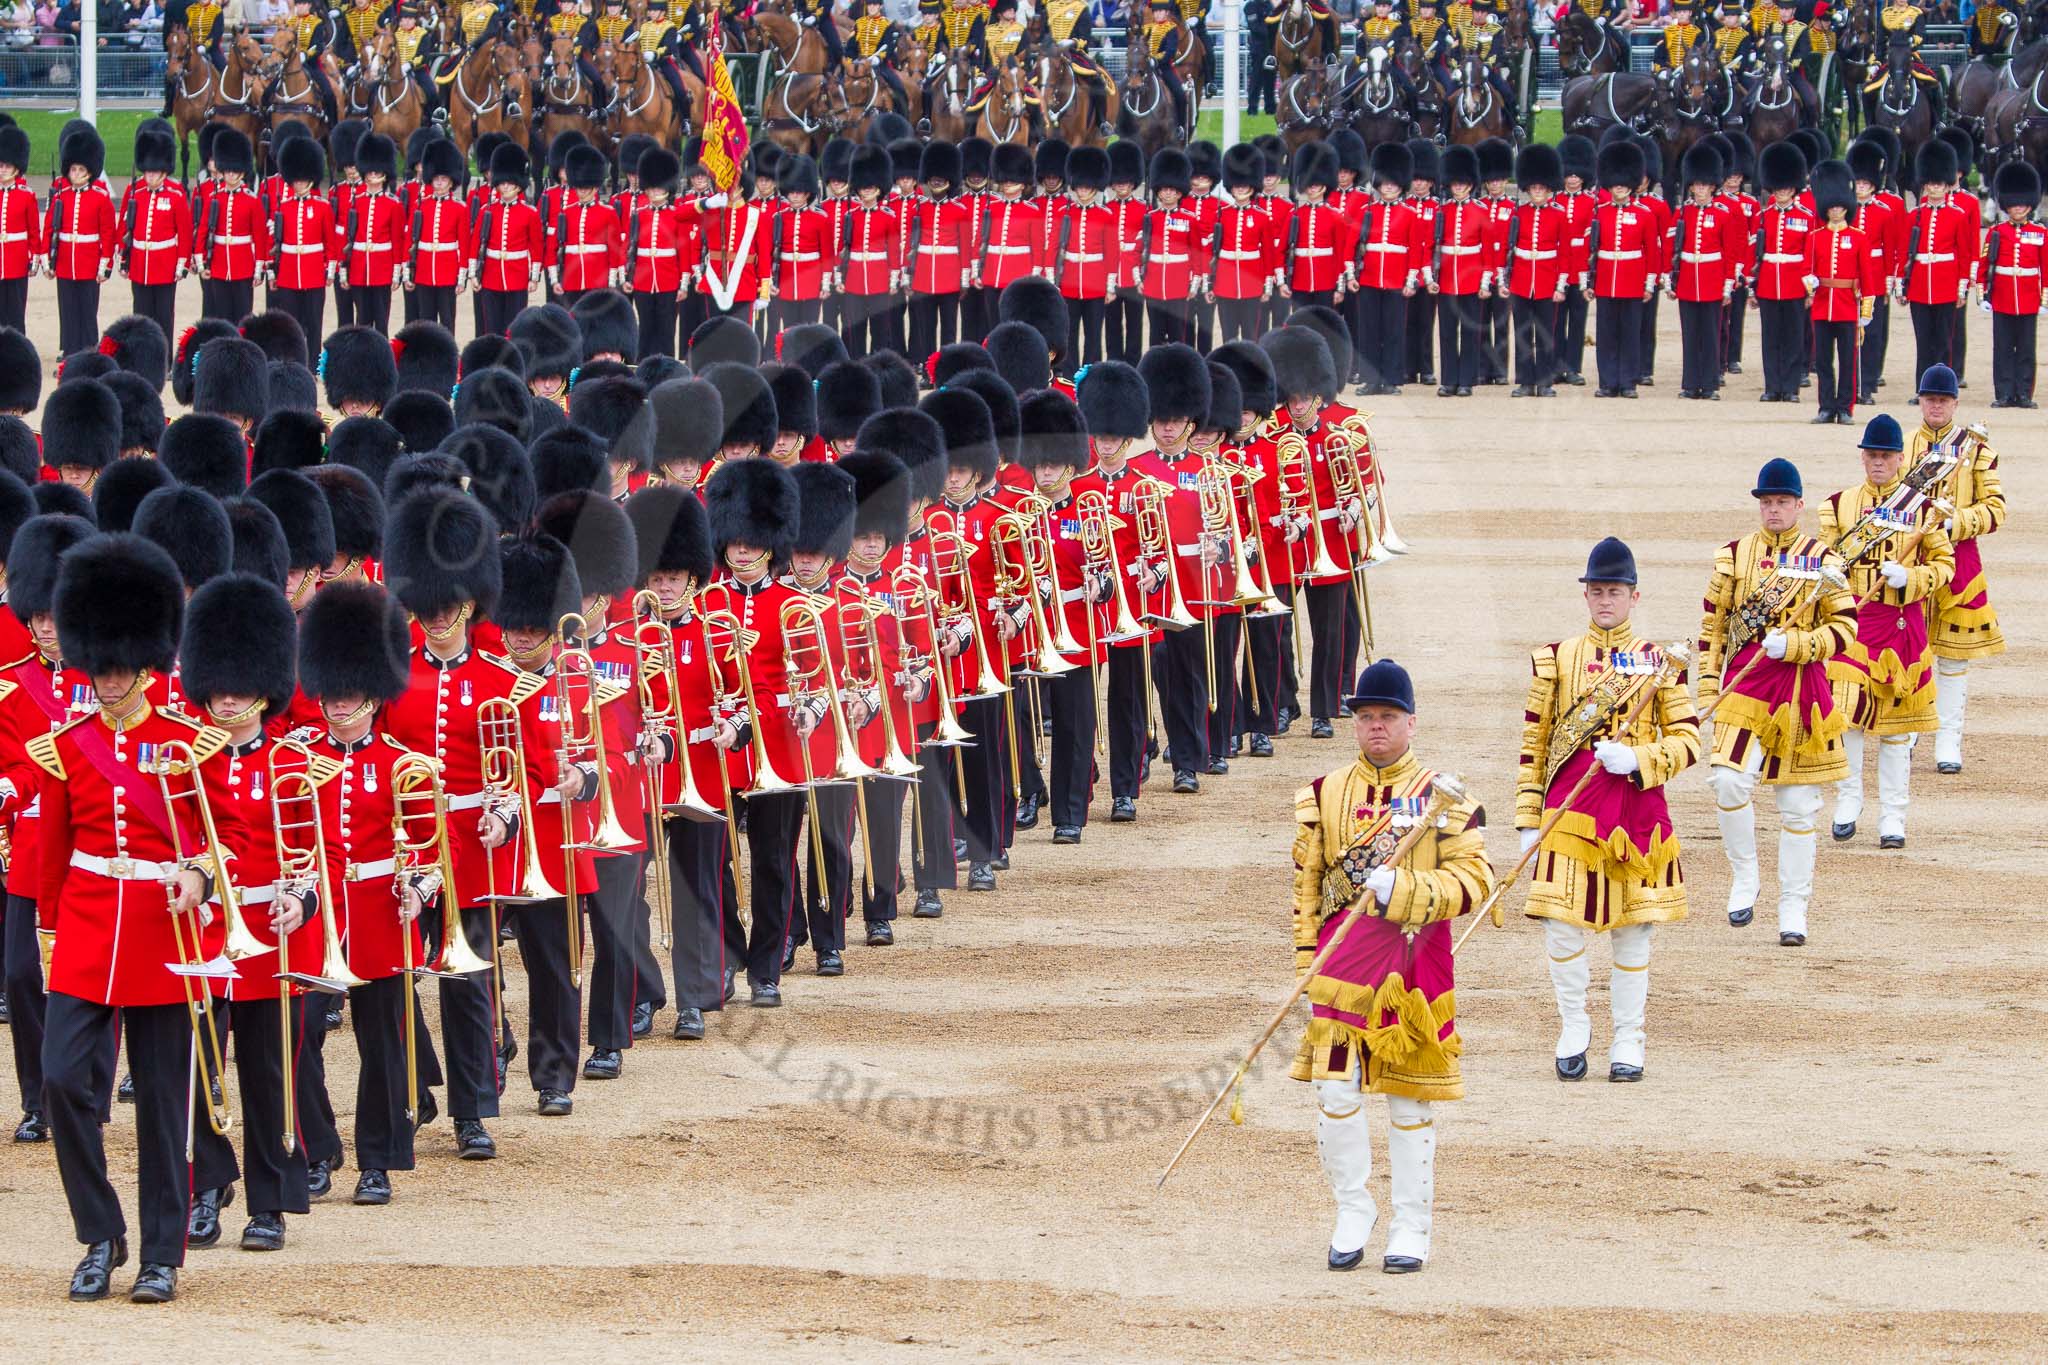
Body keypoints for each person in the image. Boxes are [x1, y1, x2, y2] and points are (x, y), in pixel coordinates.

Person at [36, 534, 248, 1304]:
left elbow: (233, 835)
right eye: (103, 661)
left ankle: (160, 1250)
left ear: (146, 656)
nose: (113, 675)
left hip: (167, 933)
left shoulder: (190, 743)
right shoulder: (69, 744)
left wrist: (197, 873)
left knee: (164, 1101)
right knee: (61, 1077)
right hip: (90, 930)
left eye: (123, 662)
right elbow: (52, 852)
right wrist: (42, 937)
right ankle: (101, 1232)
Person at [1289, 658, 1492, 1273]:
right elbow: (1308, 888)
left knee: (1407, 1101)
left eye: (1388, 717)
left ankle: (1412, 1223)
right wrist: (1305, 965)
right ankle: (1353, 1208)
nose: (1376, 727)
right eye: (1367, 717)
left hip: (1412, 965)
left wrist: (1403, 888)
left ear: (1411, 722)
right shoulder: (1322, 794)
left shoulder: (1446, 799)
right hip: (1342, 963)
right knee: (1334, 1092)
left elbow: (1476, 881)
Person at [1517, 538, 1697, 1083]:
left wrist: (1639, 757)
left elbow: (1688, 742)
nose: (1604, 600)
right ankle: (1574, 1025)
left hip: (1636, 816)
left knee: (1633, 933)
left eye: (1614, 591)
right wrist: (1528, 816)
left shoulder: (1662, 665)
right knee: (1562, 929)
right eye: (1596, 590)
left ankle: (1629, 1038)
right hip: (1568, 815)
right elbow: (1536, 742)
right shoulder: (1556, 659)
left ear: (1634, 596)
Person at [295, 580, 429, 1207]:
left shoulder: (404, 764)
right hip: (315, 916)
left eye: (349, 695)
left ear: (374, 696)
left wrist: (420, 892)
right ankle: (316, 1146)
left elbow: (431, 848)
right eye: (331, 694)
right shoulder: (296, 762)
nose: (337, 704)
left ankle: (377, 1158)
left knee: (383, 1040)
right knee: (296, 1038)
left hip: (378, 911)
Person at [1695, 458, 1855, 946]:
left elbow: (1845, 629)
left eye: (1783, 502)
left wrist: (1801, 647)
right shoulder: (1733, 556)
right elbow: (1713, 630)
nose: (1774, 511)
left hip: (1801, 694)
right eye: (1767, 503)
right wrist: (1706, 690)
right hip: (1743, 692)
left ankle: (1794, 907)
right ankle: (1746, 875)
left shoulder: (1824, 560)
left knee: (1798, 808)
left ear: (1800, 505)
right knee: (1727, 781)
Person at [1821, 413, 1954, 850]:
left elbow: (1945, 566)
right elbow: (1827, 562)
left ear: (1900, 458)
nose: (1878, 462)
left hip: (1902, 627)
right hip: (1857, 624)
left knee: (1897, 731)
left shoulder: (1921, 509)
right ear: (1863, 457)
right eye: (1871, 455)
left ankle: (1894, 816)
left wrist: (1910, 579)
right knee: (1847, 717)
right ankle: (1849, 799)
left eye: (1886, 456)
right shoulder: (1839, 506)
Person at [1905, 363, 2006, 775]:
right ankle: (1907, 731)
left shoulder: (1976, 449)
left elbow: (1996, 510)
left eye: (1943, 401)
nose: (1936, 406)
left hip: (1959, 560)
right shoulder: (1906, 445)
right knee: (1911, 651)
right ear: (1921, 401)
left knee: (1952, 660)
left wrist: (1953, 522)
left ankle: (1948, 740)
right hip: (1912, 557)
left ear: (1955, 404)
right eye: (1930, 399)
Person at [1804, 158, 1882, 426]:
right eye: (1832, 208)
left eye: (1840, 208)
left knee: (1848, 362)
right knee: (1824, 362)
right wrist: (1809, 283)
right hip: (1823, 304)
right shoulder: (1815, 236)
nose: (1836, 212)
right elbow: (1806, 267)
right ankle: (1826, 406)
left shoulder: (1859, 237)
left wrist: (1866, 311)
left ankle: (1845, 407)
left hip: (1848, 306)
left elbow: (1867, 277)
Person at [1668, 142, 1742, 400]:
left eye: (1704, 185)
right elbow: (1673, 248)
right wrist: (1670, 279)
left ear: (1712, 186)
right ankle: (1690, 383)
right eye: (1696, 185)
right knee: (1690, 335)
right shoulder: (1683, 212)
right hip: (1688, 279)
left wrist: (1727, 286)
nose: (1700, 190)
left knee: (1711, 335)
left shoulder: (1723, 214)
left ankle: (1710, 384)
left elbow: (1730, 252)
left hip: (1711, 281)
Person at [46, 128, 116, 363]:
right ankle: (69, 351)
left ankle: (88, 353)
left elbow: (108, 233)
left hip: (88, 263)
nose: (75, 173)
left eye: (81, 169)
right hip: (66, 261)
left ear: (90, 172)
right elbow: (50, 228)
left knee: (87, 310)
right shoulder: (61, 195)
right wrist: (49, 260)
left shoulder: (99, 197)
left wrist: (105, 264)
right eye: (73, 169)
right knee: (67, 310)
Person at [1752, 140, 1813, 405]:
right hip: (1768, 283)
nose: (1781, 193)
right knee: (1771, 338)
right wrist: (1753, 286)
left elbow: (1810, 255)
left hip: (1794, 284)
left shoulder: (1806, 216)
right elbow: (1755, 254)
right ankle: (1772, 386)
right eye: (1777, 188)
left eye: (1786, 188)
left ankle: (1790, 387)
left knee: (1793, 338)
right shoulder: (1764, 216)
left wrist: (1810, 288)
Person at [1978, 161, 2044, 410]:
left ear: (2030, 204)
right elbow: (1985, 264)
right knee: (2003, 347)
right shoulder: (1996, 232)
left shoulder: (2040, 233)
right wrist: (1983, 294)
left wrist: (2044, 298)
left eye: (2022, 204)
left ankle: (2024, 393)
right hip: (2002, 296)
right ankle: (2004, 392)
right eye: (2014, 204)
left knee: (2027, 349)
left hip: (2028, 298)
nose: (2018, 208)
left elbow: (2045, 269)